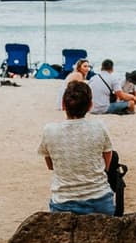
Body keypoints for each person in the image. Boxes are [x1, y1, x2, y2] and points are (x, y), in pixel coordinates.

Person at [40, 80, 116, 215]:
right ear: (90, 106)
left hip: (64, 202)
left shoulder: (50, 130)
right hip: (100, 200)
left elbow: (51, 166)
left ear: (63, 105)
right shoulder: (99, 127)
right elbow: (107, 161)